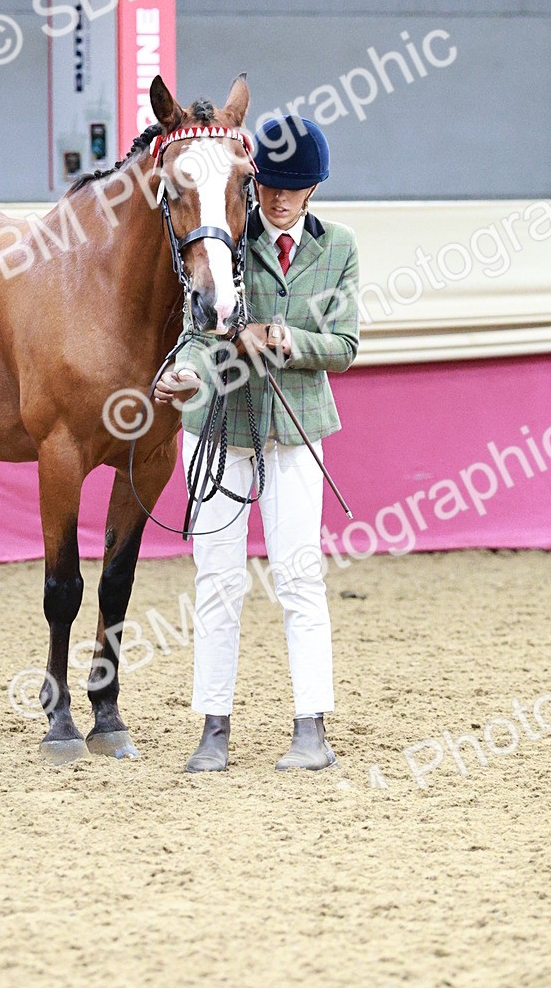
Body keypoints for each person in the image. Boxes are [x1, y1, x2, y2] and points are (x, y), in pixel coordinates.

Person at [154, 114, 360, 772]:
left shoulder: (339, 249)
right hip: (222, 428)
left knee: (300, 578)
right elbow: (197, 328)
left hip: (295, 433)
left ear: (314, 190)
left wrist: (285, 340)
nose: (277, 199)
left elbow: (346, 347)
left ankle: (311, 729)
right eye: (269, 186)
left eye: (292, 189)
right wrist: (184, 371)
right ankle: (213, 729)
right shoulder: (228, 241)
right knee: (217, 582)